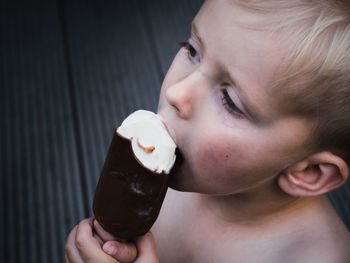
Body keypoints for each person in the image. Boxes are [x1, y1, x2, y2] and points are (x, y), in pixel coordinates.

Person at [64, 0, 350, 262]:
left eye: (230, 101)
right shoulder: (177, 169)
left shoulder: (317, 257)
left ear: (309, 171)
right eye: (193, 50)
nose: (177, 92)